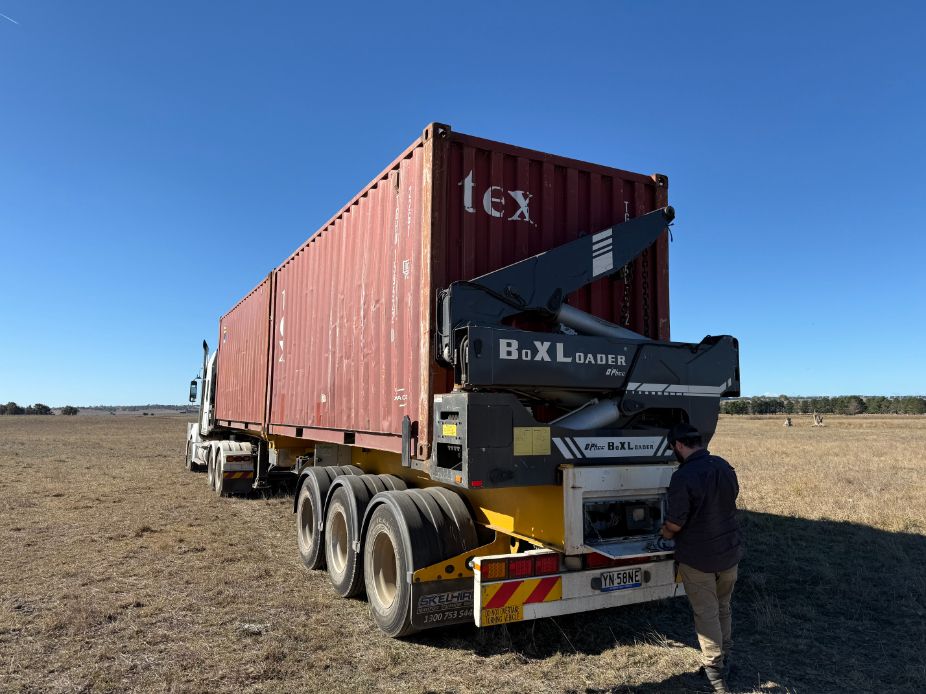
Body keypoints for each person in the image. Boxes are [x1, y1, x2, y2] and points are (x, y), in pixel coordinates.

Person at [660, 422, 742, 694]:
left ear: (679, 446)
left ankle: (714, 674)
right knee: (723, 607)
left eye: (673, 448)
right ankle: (726, 658)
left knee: (706, 614)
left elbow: (675, 523)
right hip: (729, 553)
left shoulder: (683, 476)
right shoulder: (724, 466)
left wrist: (665, 532)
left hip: (699, 558)